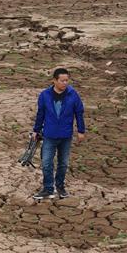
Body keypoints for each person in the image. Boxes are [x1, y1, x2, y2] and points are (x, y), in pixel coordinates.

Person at [31, 68, 86, 200]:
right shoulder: (44, 95)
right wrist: (36, 130)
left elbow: (79, 113)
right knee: (46, 163)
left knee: (63, 163)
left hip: (66, 135)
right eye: (62, 80)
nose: (65, 83)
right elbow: (40, 114)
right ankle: (48, 189)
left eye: (67, 80)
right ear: (54, 80)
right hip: (49, 135)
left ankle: (60, 187)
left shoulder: (73, 94)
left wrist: (81, 130)